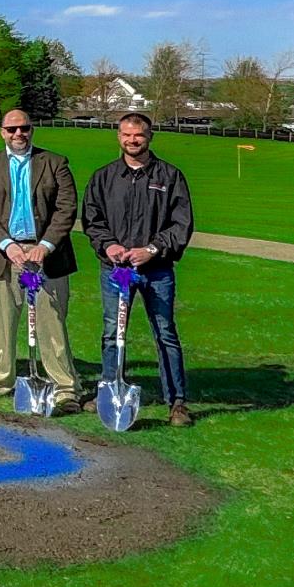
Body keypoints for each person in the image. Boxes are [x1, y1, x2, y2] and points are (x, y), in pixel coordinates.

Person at [80, 112, 197, 426]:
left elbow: (181, 224)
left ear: (150, 137)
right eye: (126, 135)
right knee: (111, 334)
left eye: (139, 135)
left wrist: (152, 249)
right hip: (115, 270)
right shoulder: (103, 177)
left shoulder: (170, 177)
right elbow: (92, 221)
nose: (132, 141)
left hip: (156, 271)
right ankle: (108, 390)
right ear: (118, 137)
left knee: (165, 334)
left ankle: (177, 403)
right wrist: (109, 246)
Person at [0, 108, 80, 412]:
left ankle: (64, 388)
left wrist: (45, 245)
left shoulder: (55, 163)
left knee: (51, 322)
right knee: (1, 322)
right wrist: (7, 244)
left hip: (46, 256)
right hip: (1, 255)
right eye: (12, 129)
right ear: (2, 132)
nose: (19, 134)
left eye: (24, 128)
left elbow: (66, 208)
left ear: (32, 130)